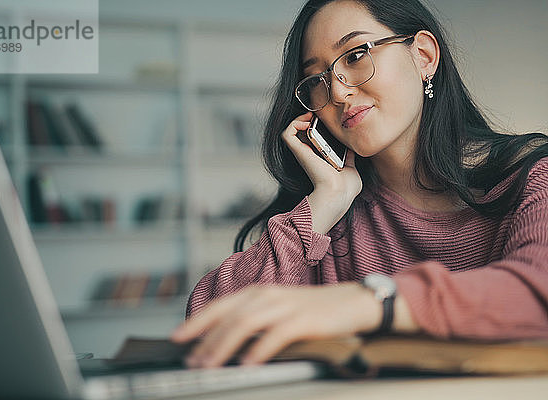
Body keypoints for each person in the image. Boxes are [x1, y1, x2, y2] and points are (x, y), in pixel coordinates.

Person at [171, 0, 548, 368]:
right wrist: (325, 203)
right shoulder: (332, 221)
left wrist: (370, 302)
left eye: (354, 55)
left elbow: (536, 293)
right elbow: (208, 325)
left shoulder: (532, 176)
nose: (337, 92)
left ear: (424, 57)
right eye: (316, 79)